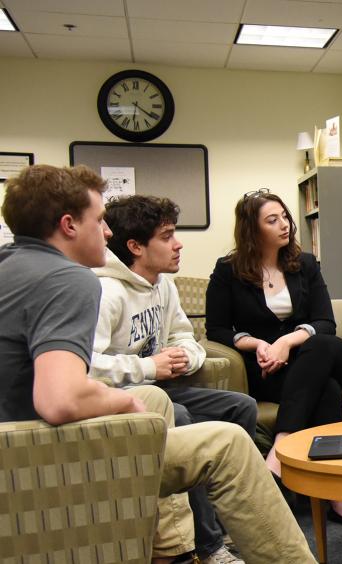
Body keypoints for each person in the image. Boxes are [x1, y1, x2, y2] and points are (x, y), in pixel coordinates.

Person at [0, 164, 316, 564]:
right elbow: (59, 399)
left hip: (14, 436)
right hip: (41, 451)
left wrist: (141, 392)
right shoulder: (71, 280)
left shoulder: (9, 266)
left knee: (154, 399)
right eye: (99, 221)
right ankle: (232, 551)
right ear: (68, 225)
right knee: (227, 443)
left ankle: (175, 553)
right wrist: (121, 402)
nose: (109, 232)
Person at [93, 195, 258, 564]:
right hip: (120, 398)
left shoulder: (162, 284)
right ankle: (208, 547)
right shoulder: (106, 292)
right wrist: (150, 367)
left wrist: (187, 356)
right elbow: (87, 365)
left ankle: (220, 522)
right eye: (167, 236)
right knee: (180, 418)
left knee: (240, 408)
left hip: (159, 385)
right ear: (136, 246)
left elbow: (185, 335)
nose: (178, 244)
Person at [205, 189, 342, 526]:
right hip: (271, 370)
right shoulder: (227, 270)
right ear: (252, 229)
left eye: (285, 217)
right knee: (328, 392)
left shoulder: (304, 264)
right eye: (272, 220)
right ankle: (335, 489)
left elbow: (324, 322)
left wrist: (287, 342)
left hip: (321, 354)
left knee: (320, 346)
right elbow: (216, 329)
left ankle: (279, 450)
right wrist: (257, 344)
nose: (284, 225)